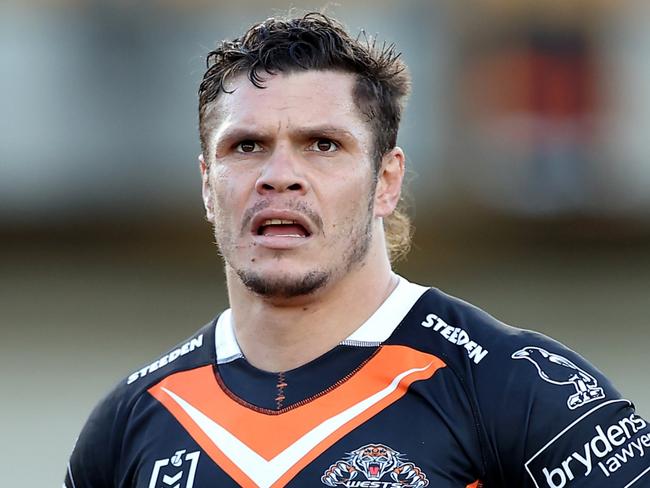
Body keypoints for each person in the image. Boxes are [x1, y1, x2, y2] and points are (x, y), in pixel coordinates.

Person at [64, 12, 650, 488]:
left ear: (387, 181)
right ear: (206, 184)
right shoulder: (128, 425)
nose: (279, 176)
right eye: (246, 146)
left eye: (323, 144)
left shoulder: (517, 390)